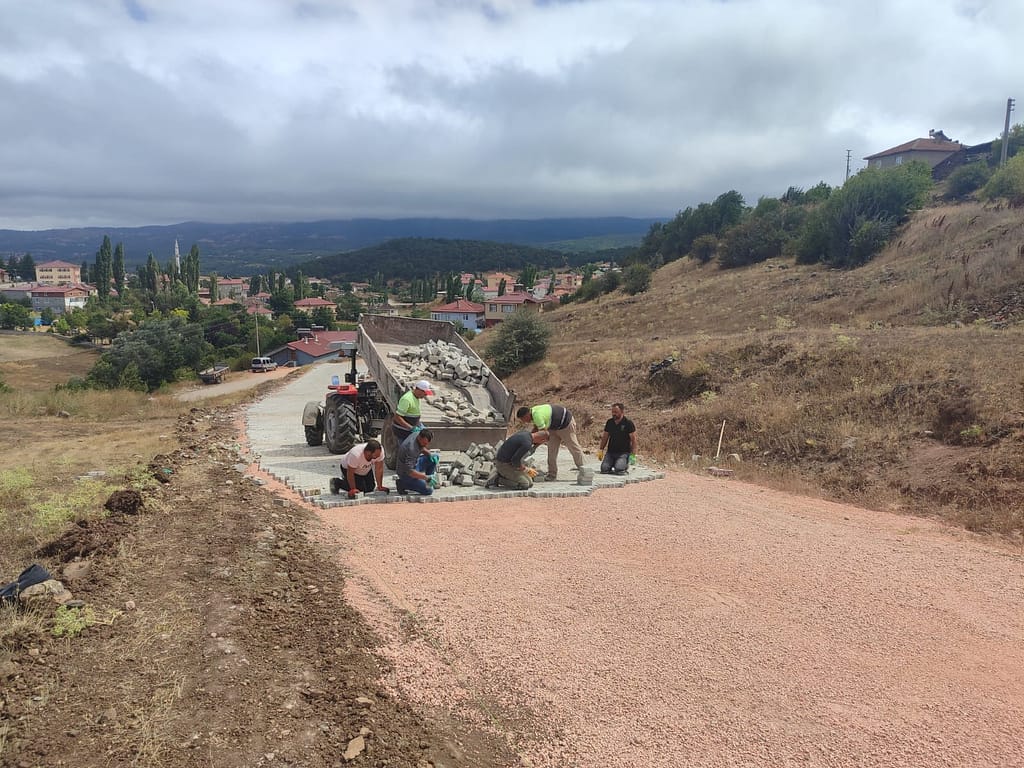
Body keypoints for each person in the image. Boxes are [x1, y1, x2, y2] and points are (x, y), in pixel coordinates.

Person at [516, 403, 584, 482]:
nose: (524, 422)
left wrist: (534, 447)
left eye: (523, 419)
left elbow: (544, 435)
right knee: (551, 451)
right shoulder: (533, 413)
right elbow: (536, 429)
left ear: (526, 415)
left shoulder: (537, 415)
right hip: (553, 428)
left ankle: (584, 470)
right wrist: (529, 442)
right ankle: (552, 475)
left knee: (574, 448)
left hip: (566, 424)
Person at [598, 403, 637, 475]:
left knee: (619, 469)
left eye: (616, 412)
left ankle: (624, 464)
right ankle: (613, 463)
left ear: (622, 412)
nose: (613, 414)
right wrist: (601, 450)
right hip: (611, 452)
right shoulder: (609, 422)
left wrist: (633, 455)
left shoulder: (628, 423)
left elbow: (633, 440)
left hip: (623, 453)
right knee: (604, 469)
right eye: (612, 412)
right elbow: (605, 437)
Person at [391, 379, 433, 445]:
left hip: (412, 426)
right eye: (424, 393)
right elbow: (397, 417)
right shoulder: (407, 399)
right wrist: (411, 428)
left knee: (426, 435)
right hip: (402, 430)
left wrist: (419, 425)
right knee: (407, 448)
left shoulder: (416, 397)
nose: (425, 396)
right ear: (419, 390)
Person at [395, 428, 435, 495]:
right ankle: (402, 484)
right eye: (424, 443)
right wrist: (426, 477)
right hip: (406, 474)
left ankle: (430, 481)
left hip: (415, 463)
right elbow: (409, 472)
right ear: (419, 437)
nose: (426, 445)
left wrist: (429, 454)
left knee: (432, 459)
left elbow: (421, 447)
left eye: (427, 443)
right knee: (428, 490)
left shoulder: (418, 433)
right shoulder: (411, 449)